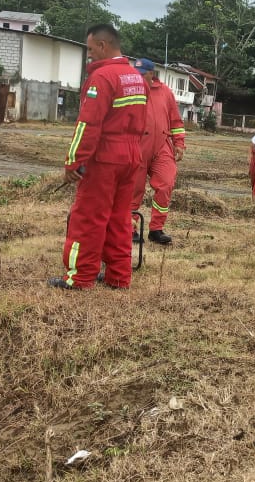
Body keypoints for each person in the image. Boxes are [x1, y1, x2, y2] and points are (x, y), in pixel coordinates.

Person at [50, 25, 146, 290]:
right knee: (120, 218)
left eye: (91, 49)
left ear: (103, 46)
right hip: (131, 158)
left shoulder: (102, 77)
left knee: (88, 217)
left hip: (105, 159)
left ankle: (80, 277)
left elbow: (88, 125)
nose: (89, 55)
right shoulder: (136, 77)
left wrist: (73, 161)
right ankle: (119, 276)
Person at [130, 59, 186, 245]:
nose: (139, 77)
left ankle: (156, 229)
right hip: (137, 147)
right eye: (136, 73)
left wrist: (179, 143)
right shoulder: (130, 90)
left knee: (166, 183)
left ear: (151, 74)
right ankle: (129, 228)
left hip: (162, 146)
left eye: (142, 74)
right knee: (133, 189)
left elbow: (176, 121)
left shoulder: (165, 92)